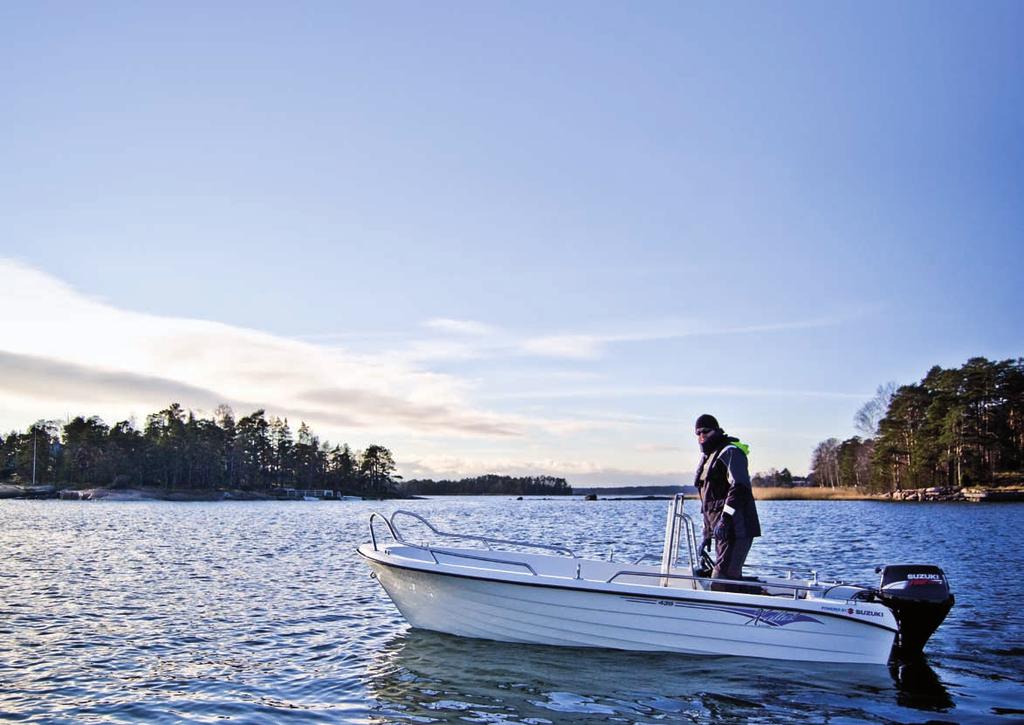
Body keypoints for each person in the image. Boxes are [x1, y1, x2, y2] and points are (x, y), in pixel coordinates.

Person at [693, 414, 761, 580]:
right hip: (722, 532)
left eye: (706, 432)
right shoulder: (709, 458)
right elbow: (709, 503)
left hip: (738, 528)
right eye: (698, 433)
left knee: (723, 578)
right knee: (722, 574)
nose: (702, 437)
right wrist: (707, 534)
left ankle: (759, 600)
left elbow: (740, 486)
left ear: (716, 431)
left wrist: (725, 519)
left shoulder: (730, 452)